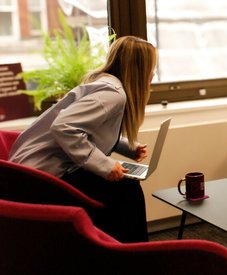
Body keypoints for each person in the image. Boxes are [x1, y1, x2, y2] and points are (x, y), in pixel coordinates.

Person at [9, 36, 158, 243]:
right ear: (138, 70)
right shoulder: (113, 95)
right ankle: (131, 255)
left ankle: (113, 249)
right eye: (151, 68)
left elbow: (91, 130)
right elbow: (64, 127)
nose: (153, 74)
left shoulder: (105, 85)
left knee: (123, 187)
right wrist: (105, 165)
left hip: (38, 168)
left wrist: (128, 148)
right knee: (127, 190)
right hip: (41, 177)